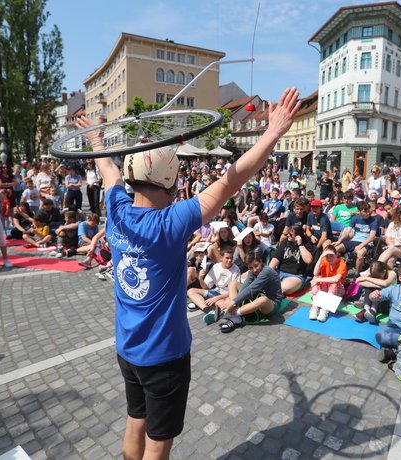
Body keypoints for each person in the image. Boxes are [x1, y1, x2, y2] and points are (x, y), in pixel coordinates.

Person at [75, 87, 300, 458]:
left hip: (128, 348)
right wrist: (272, 134)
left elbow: (108, 169)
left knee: (136, 419)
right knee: (158, 442)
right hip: (164, 356)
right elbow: (233, 180)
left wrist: (97, 140)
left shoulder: (116, 208)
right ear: (171, 177)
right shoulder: (171, 222)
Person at [215, 249, 285, 333]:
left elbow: (251, 289)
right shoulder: (252, 272)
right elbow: (245, 286)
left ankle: (232, 314)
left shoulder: (266, 271)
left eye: (256, 265)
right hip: (258, 295)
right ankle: (235, 314)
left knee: (263, 299)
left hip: (272, 303)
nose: (254, 269)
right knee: (233, 283)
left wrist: (233, 301)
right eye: (251, 268)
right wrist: (235, 303)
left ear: (261, 262)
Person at [334, 201, 379, 275]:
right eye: (365, 211)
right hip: (354, 240)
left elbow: (371, 237)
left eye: (368, 210)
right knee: (335, 249)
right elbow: (347, 232)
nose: (367, 213)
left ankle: (357, 273)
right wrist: (339, 241)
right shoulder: (355, 218)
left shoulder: (374, 220)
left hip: (366, 242)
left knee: (360, 254)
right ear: (359, 211)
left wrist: (360, 246)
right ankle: (336, 269)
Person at [269, 225, 315, 294]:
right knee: (260, 275)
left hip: (295, 276)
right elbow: (276, 258)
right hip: (280, 272)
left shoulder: (305, 245)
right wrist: (268, 271)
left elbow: (308, 260)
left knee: (282, 288)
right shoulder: (285, 243)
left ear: (298, 236)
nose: (287, 235)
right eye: (287, 233)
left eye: (290, 234)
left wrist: (300, 244)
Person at [309, 246, 348, 322]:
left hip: (337, 289)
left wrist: (318, 280)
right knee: (315, 277)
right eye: (327, 256)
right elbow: (315, 273)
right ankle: (315, 307)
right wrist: (321, 256)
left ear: (337, 254)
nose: (329, 258)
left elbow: (336, 279)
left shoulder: (341, 263)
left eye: (331, 255)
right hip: (326, 286)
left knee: (333, 282)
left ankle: (325, 309)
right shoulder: (324, 260)